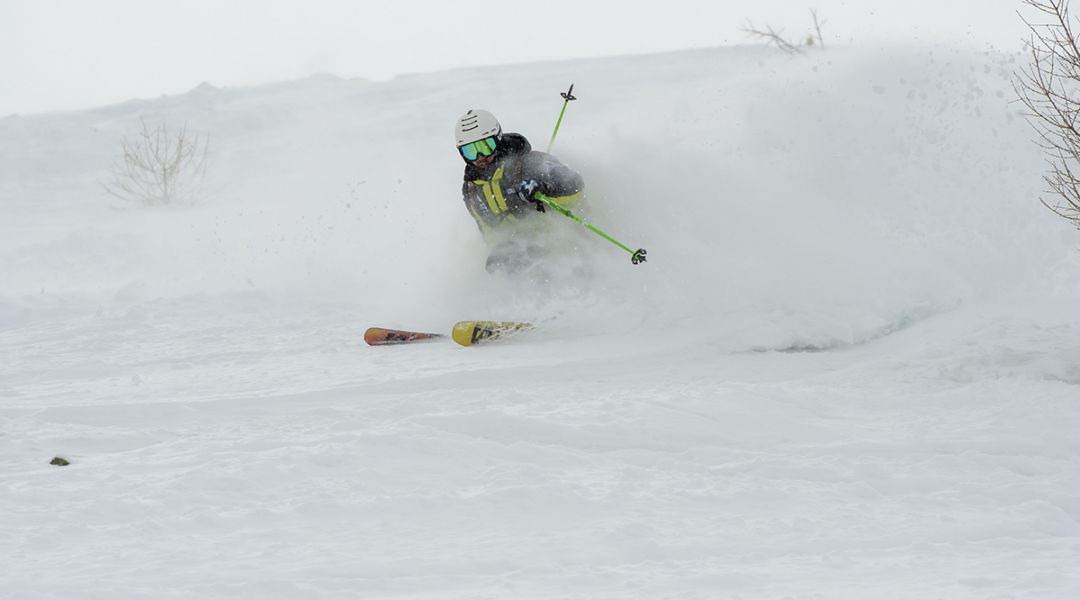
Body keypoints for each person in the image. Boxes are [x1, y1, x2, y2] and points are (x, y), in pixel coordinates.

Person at [455, 109, 585, 275]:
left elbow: (576, 188)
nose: (480, 157)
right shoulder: (471, 191)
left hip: (565, 242)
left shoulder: (530, 162)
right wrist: (502, 248)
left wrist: (544, 188)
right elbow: (490, 233)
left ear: (498, 139)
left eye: (486, 146)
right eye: (470, 151)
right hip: (528, 254)